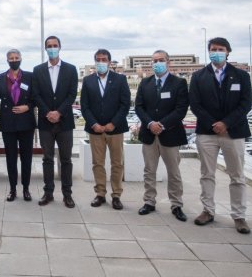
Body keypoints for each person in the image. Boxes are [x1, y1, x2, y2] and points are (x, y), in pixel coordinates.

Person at [189, 37, 252, 234]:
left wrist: (226, 123)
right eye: (213, 49)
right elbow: (195, 104)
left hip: (233, 132)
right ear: (209, 52)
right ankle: (208, 211)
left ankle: (239, 215)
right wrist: (212, 123)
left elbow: (245, 104)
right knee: (207, 174)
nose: (217, 52)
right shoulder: (199, 76)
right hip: (207, 133)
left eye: (221, 49)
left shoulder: (241, 76)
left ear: (228, 52)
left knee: (237, 176)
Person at [135, 50, 189, 222]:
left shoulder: (179, 83)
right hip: (149, 134)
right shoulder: (145, 83)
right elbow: (139, 107)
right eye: (154, 60)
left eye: (161, 60)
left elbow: (181, 109)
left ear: (168, 62)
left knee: (173, 172)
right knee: (149, 170)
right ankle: (149, 202)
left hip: (170, 134)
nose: (157, 63)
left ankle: (176, 204)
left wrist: (162, 124)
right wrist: (151, 124)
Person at [81, 48, 130, 210]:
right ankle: (100, 193)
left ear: (109, 62)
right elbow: (85, 106)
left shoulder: (120, 79)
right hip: (95, 129)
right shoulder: (87, 81)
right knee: (98, 163)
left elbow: (125, 104)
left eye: (104, 59)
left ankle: (116, 195)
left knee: (117, 163)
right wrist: (94, 123)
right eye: (98, 59)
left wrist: (113, 123)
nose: (101, 62)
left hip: (115, 129)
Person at [32, 36, 78, 208]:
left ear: (60, 47)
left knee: (66, 160)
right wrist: (47, 113)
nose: (52, 48)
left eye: (55, 46)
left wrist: (59, 112)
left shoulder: (71, 69)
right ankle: (48, 192)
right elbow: (36, 95)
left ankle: (67, 194)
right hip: (45, 123)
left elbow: (72, 94)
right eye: (49, 46)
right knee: (47, 159)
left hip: (64, 122)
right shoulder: (38, 70)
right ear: (45, 49)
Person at [0, 49, 36, 202]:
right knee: (11, 158)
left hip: (26, 122)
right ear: (7, 60)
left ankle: (26, 188)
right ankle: (12, 189)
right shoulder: (0, 78)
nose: (14, 60)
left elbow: (36, 97)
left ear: (21, 58)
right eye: (11, 58)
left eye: (16, 57)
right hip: (8, 123)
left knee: (27, 158)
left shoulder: (30, 77)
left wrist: (28, 106)